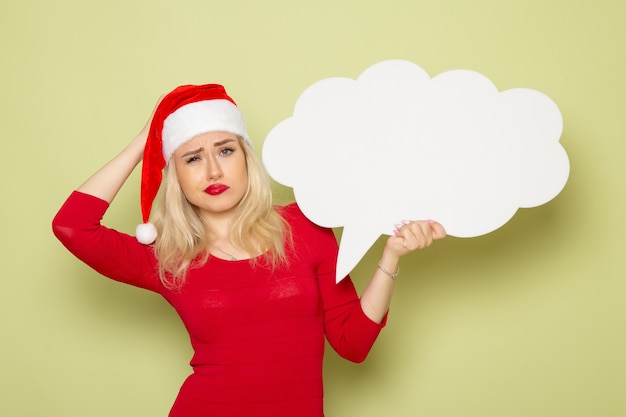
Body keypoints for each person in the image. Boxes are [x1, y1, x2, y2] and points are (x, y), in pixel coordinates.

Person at [52, 84, 446, 417]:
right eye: (192, 157)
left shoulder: (307, 227)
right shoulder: (167, 256)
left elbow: (353, 344)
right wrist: (145, 142)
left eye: (225, 150)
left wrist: (390, 258)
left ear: (246, 158)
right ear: (176, 174)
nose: (213, 171)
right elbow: (72, 226)